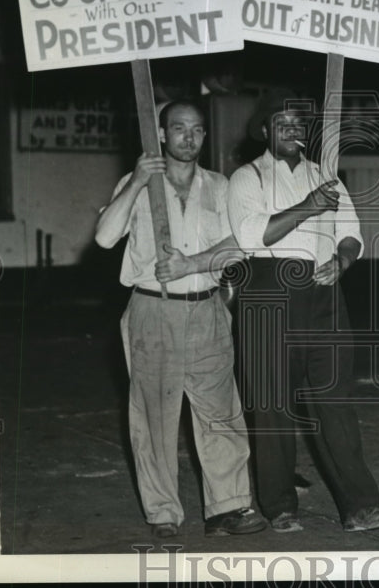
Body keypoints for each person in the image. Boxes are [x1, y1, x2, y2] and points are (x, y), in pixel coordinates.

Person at [226, 90, 379, 534]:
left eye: (297, 122)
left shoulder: (327, 178)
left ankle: (360, 506)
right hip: (269, 292)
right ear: (265, 130)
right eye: (280, 121)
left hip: (324, 295)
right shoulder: (246, 179)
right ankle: (280, 505)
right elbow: (251, 237)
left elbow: (351, 233)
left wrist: (342, 260)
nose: (290, 128)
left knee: (334, 400)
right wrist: (308, 207)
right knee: (272, 405)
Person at [95, 100, 266, 539]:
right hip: (153, 310)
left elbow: (240, 244)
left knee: (220, 411)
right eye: (178, 129)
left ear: (204, 136)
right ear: (162, 134)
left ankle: (227, 508)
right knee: (154, 415)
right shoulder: (138, 183)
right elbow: (104, 236)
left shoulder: (221, 186)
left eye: (196, 130)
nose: (188, 137)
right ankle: (164, 512)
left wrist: (192, 264)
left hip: (207, 308)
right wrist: (136, 180)